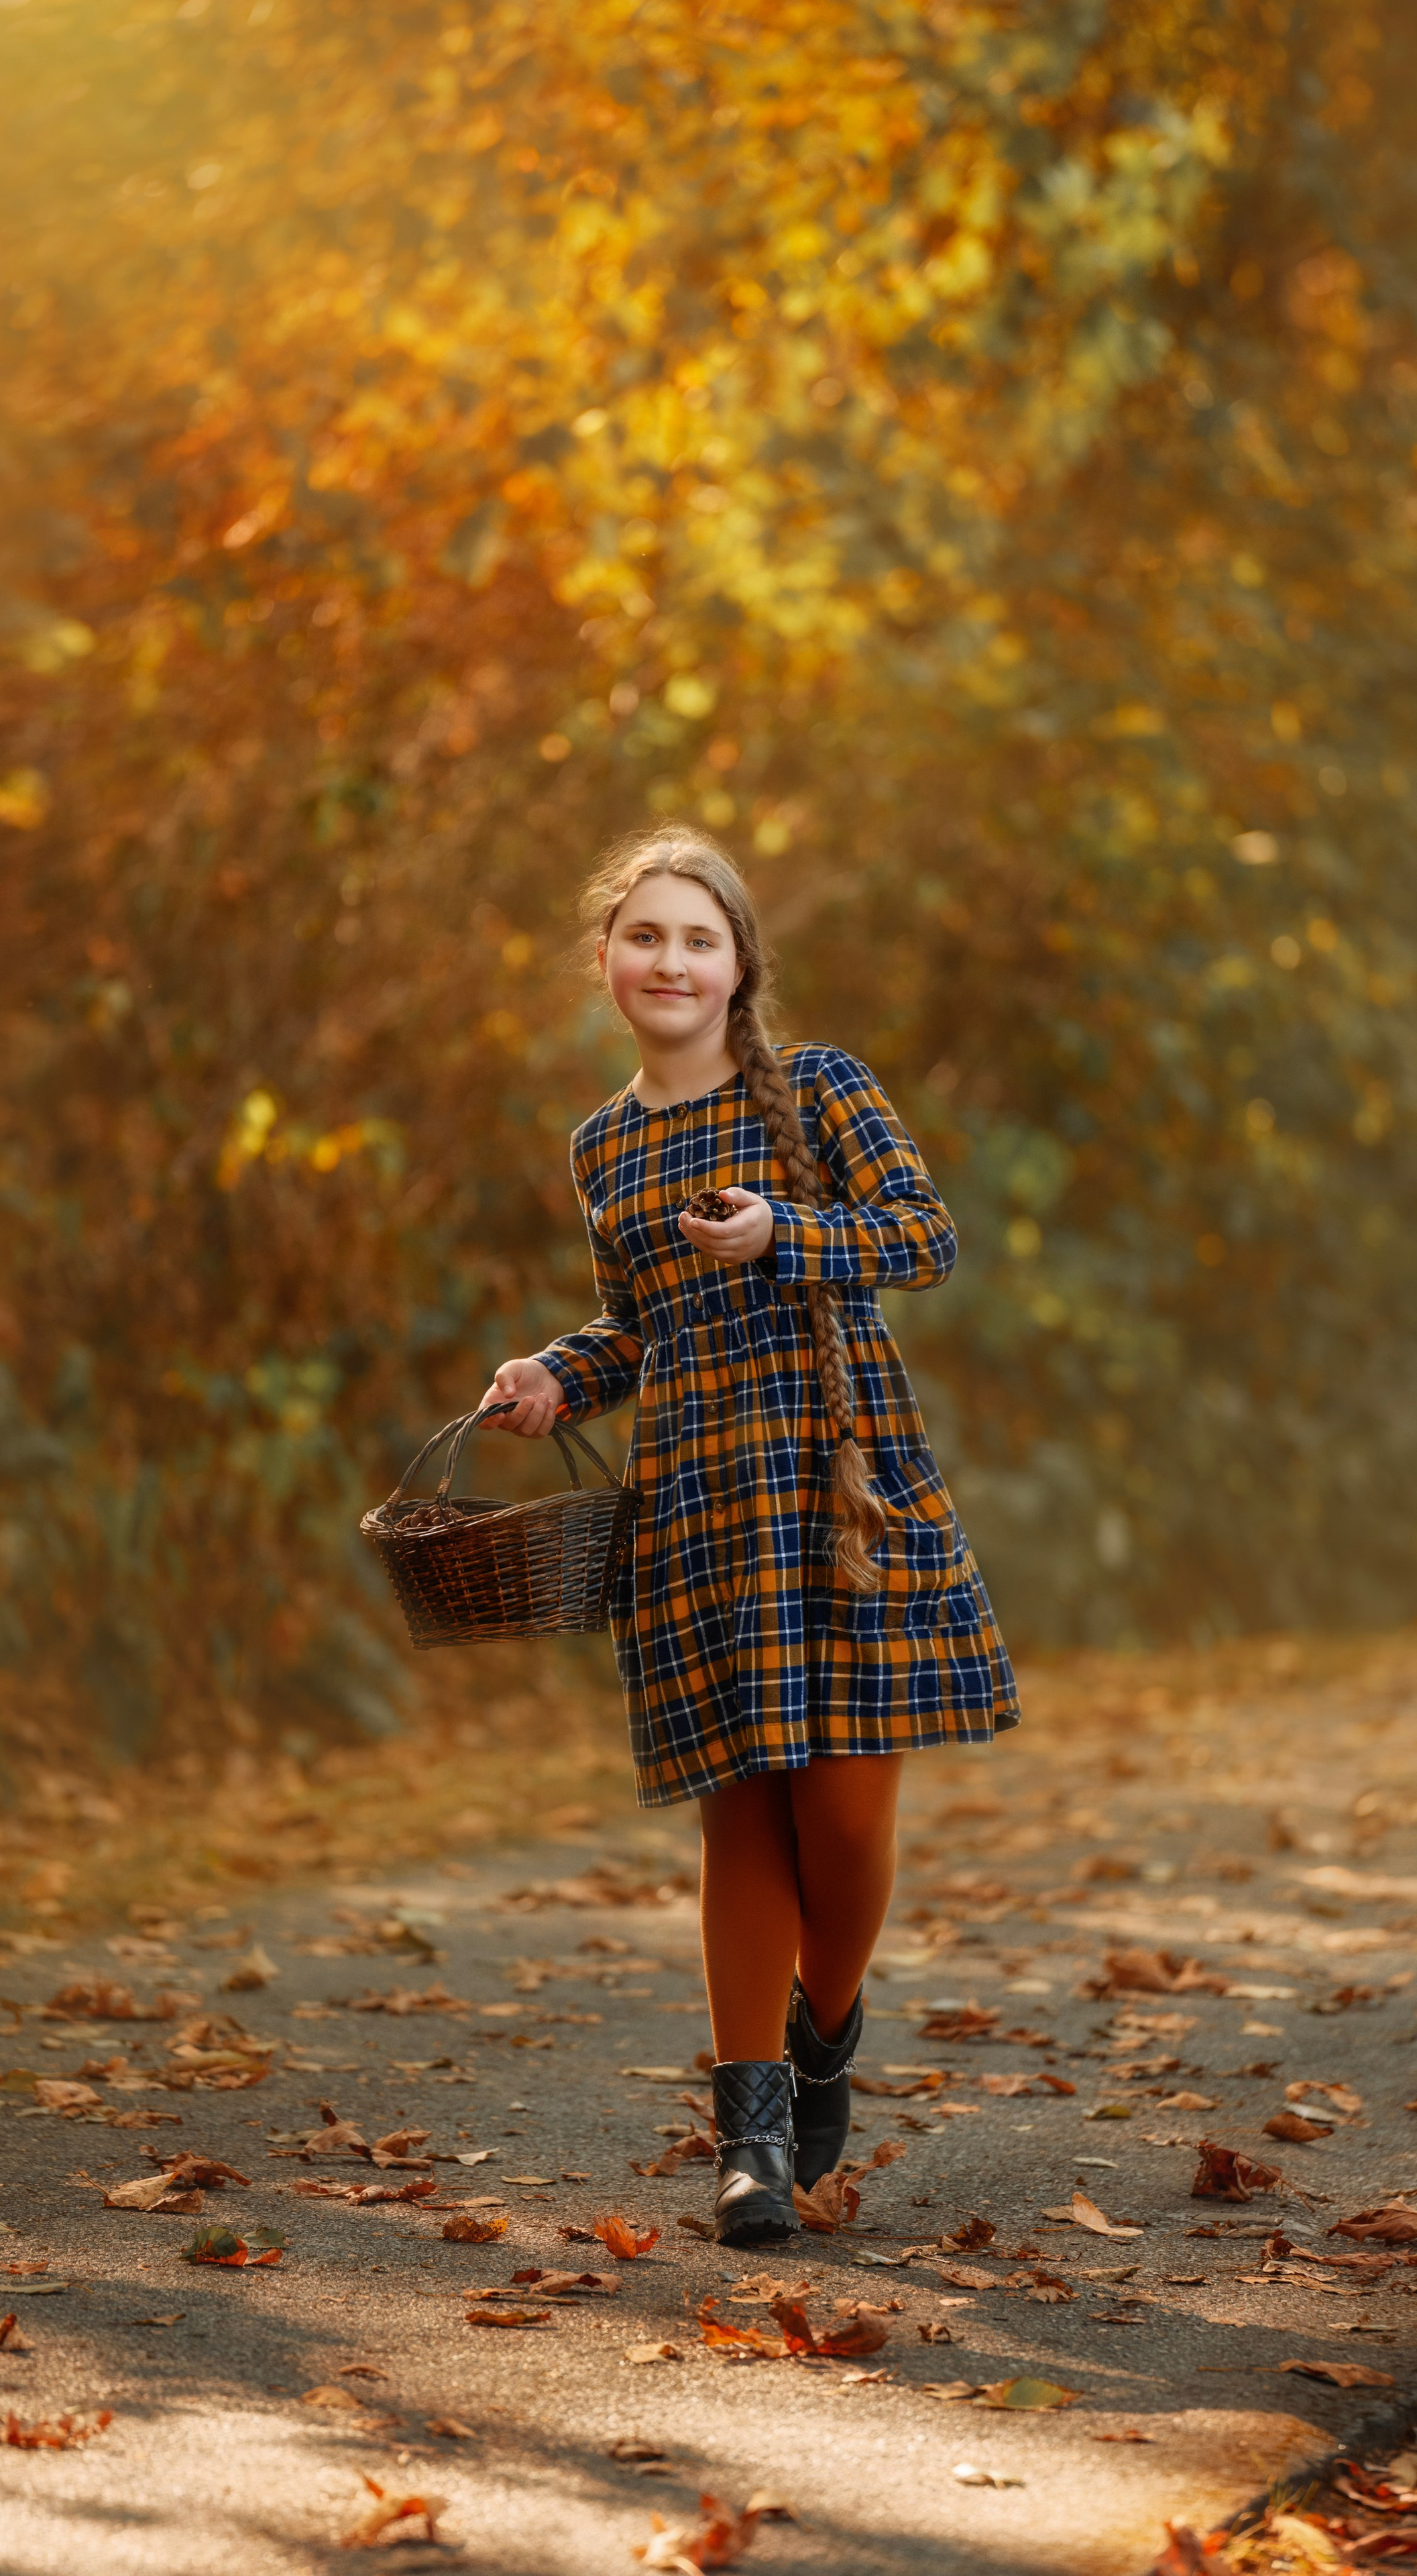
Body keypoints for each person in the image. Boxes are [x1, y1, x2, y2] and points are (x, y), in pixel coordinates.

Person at [481, 825, 1017, 2243]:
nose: (668, 960)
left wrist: (787, 1228)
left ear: (735, 970)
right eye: (643, 936)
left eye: (695, 939)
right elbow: (633, 1326)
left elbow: (922, 1236)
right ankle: (750, 2133)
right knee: (741, 1813)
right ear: (606, 959)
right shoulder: (602, 1143)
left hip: (842, 1492)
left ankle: (822, 2023)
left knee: (841, 1815)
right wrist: (555, 1371)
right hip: (699, 1510)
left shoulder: (817, 1091)